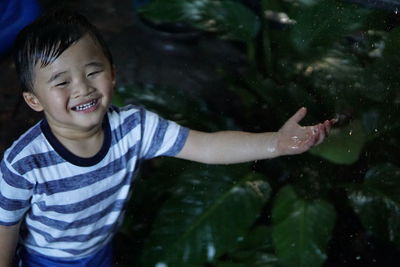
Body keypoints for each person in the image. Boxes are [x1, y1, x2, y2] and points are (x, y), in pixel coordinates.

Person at [0, 10, 335, 267]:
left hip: (100, 248)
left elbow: (206, 145)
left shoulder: (135, 127)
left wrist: (274, 143)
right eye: (61, 82)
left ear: (114, 74)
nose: (83, 88)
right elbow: (5, 228)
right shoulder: (24, 164)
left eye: (92, 71)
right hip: (47, 259)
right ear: (34, 100)